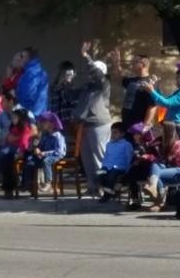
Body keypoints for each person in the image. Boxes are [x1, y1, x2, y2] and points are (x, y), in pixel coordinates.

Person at [74, 42, 112, 197]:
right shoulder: (87, 87)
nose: (89, 75)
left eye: (92, 72)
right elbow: (71, 95)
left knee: (99, 157)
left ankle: (104, 186)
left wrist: (87, 57)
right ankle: (92, 186)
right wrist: (66, 82)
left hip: (98, 125)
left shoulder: (104, 84)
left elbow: (97, 74)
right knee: (87, 158)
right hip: (85, 125)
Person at [142, 62, 180, 148]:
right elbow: (165, 101)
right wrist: (156, 87)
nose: (176, 79)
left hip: (179, 130)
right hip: (173, 128)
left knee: (179, 155)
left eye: (178, 77)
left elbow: (166, 103)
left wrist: (151, 91)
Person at [0, 108, 33, 198]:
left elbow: (24, 142)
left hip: (20, 151)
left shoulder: (25, 128)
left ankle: (7, 185)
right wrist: (6, 143)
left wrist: (20, 151)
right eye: (12, 118)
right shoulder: (13, 127)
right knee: (0, 155)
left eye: (15, 118)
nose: (13, 120)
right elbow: (8, 139)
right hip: (10, 148)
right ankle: (3, 183)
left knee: (6, 159)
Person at [146, 121, 180, 210]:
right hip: (166, 169)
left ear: (166, 130)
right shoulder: (157, 141)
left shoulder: (176, 143)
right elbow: (153, 156)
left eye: (158, 128)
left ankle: (159, 202)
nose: (154, 130)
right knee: (155, 167)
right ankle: (158, 197)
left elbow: (168, 160)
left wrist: (151, 157)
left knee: (156, 172)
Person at [108, 48, 157, 130]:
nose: (132, 64)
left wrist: (144, 127)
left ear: (142, 65)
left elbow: (152, 106)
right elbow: (120, 76)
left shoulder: (150, 83)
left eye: (134, 62)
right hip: (127, 124)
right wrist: (116, 63)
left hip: (139, 126)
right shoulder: (132, 80)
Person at [21, 112, 67, 195]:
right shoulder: (45, 136)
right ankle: (28, 184)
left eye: (44, 122)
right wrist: (37, 149)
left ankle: (48, 182)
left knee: (46, 161)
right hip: (43, 155)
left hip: (55, 156)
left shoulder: (58, 136)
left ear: (51, 124)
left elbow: (59, 151)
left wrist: (44, 153)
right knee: (30, 160)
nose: (41, 124)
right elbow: (40, 146)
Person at [96, 123, 134, 203]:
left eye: (115, 132)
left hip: (119, 167)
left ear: (122, 134)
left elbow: (129, 158)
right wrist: (103, 166)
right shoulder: (109, 144)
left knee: (111, 175)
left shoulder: (126, 145)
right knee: (99, 174)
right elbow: (106, 156)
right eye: (112, 132)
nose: (113, 135)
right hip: (107, 166)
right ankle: (111, 191)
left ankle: (107, 195)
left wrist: (127, 169)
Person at [15, 47, 49, 116]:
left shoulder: (32, 74)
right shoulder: (29, 73)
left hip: (31, 116)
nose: (20, 59)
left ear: (29, 58)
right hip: (29, 114)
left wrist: (31, 115)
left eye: (22, 56)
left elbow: (30, 96)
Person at [50, 61, 79, 129]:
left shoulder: (55, 87)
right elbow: (72, 102)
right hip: (65, 122)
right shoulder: (65, 87)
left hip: (56, 122)